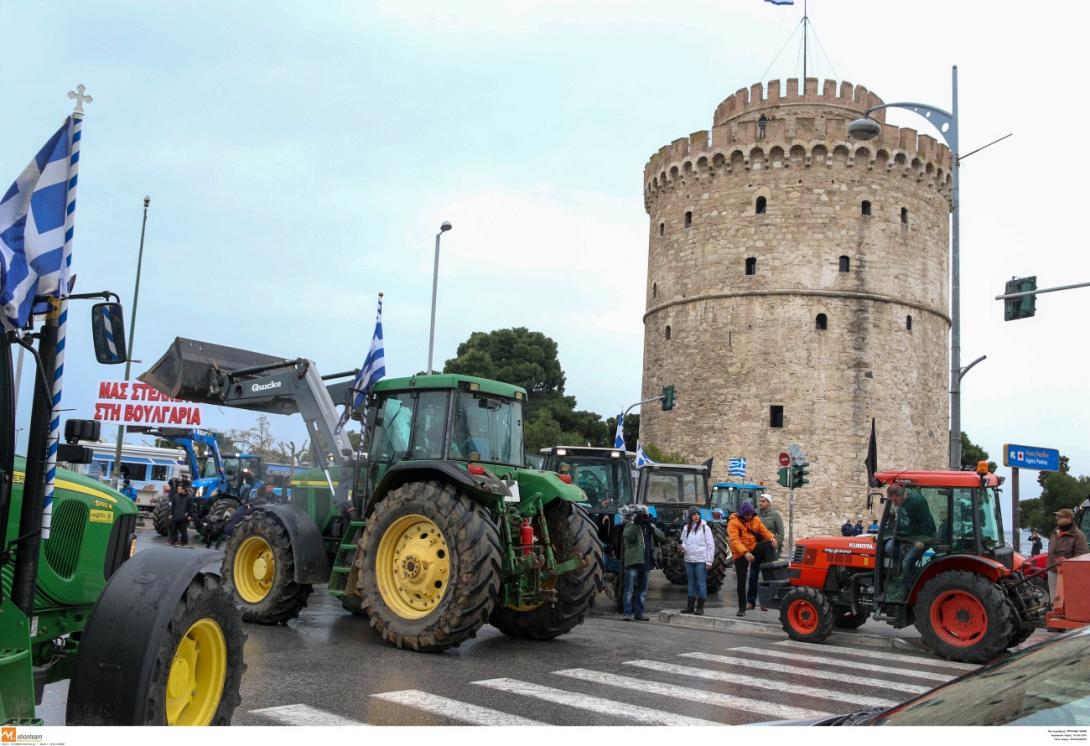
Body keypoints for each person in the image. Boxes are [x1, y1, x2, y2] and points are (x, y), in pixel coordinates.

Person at [727, 500, 776, 616]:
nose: (749, 516)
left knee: (768, 543)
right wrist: (745, 553)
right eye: (746, 515)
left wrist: (773, 538)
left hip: (753, 548)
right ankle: (741, 608)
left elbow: (764, 531)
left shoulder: (756, 520)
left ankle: (770, 569)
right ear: (742, 514)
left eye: (750, 514)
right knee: (741, 581)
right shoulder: (733, 523)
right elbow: (734, 541)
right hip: (740, 553)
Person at [884, 483, 936, 580]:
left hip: (920, 537)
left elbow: (927, 523)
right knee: (888, 547)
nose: (894, 504)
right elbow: (901, 520)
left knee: (906, 562)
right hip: (906, 536)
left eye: (895, 501)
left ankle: (908, 585)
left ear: (901, 495)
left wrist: (922, 540)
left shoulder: (917, 501)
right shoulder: (900, 502)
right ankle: (899, 571)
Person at [621, 504, 663, 621]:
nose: (644, 516)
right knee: (629, 590)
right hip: (633, 562)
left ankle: (639, 613)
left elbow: (662, 537)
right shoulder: (631, 525)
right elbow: (627, 535)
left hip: (646, 563)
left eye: (646, 514)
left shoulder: (649, 526)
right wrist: (635, 523)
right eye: (642, 514)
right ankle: (627, 613)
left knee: (642, 591)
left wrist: (651, 527)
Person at [679, 506, 715, 616]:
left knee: (701, 583)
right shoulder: (686, 528)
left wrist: (709, 561)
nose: (696, 516)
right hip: (689, 559)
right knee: (691, 583)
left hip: (701, 560)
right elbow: (684, 542)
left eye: (698, 514)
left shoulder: (705, 528)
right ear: (690, 516)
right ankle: (690, 607)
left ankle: (700, 607)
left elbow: (711, 545)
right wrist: (682, 547)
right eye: (694, 514)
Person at [1047, 508, 1089, 601]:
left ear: (1069, 519)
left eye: (1060, 517)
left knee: (1066, 600)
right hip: (1052, 570)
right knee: (1053, 599)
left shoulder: (1078, 535)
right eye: (1057, 516)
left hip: (1067, 573)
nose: (1057, 518)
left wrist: (1066, 562)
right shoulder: (1055, 532)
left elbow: (1082, 557)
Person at [168, 478, 193, 546]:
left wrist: (190, 515)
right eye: (177, 489)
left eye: (179, 489)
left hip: (184, 517)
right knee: (173, 530)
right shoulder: (175, 497)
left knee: (183, 531)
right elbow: (172, 507)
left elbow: (190, 507)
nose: (177, 490)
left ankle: (184, 542)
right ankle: (174, 541)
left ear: (183, 489)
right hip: (175, 516)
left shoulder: (189, 497)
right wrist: (171, 514)